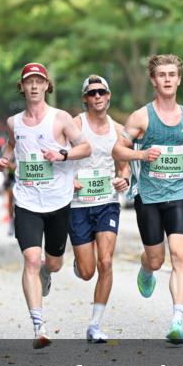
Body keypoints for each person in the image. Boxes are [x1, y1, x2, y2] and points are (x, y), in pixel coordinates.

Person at [0, 63, 90, 348]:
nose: (34, 86)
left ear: (47, 86)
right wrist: (4, 159)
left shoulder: (60, 119)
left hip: (59, 201)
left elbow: (85, 148)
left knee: (54, 262)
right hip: (26, 201)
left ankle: (49, 272)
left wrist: (63, 154)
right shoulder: (14, 122)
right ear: (21, 87)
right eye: (29, 82)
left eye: (39, 81)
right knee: (31, 260)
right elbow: (11, 146)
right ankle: (38, 326)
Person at [112, 54, 183, 344]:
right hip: (149, 196)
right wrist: (140, 154)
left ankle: (177, 319)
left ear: (179, 79)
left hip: (179, 194)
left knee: (180, 255)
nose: (167, 79)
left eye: (171, 74)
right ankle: (146, 267)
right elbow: (118, 149)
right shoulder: (141, 117)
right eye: (161, 75)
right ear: (154, 81)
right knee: (157, 259)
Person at [69, 75, 131, 343]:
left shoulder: (119, 130)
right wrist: (68, 178)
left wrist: (124, 178)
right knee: (87, 272)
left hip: (107, 202)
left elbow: (124, 164)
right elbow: (59, 155)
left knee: (105, 262)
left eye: (101, 92)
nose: (97, 97)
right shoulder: (74, 125)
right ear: (85, 98)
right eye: (92, 93)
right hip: (78, 204)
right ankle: (79, 262)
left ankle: (95, 325)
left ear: (108, 96)